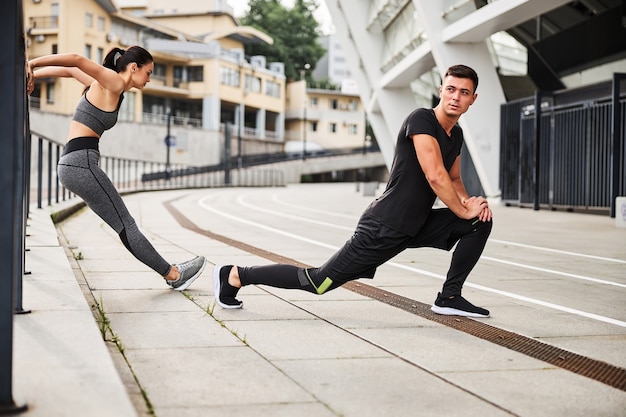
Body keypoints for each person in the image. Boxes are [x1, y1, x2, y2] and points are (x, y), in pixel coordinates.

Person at [213, 64, 493, 317]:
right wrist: (461, 208)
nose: (456, 97)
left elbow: (454, 178)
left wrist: (470, 204)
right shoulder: (421, 120)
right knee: (318, 282)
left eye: (464, 92)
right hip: (385, 225)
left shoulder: (455, 135)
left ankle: (450, 296)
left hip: (416, 223)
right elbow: (435, 176)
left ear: (473, 99)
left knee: (479, 221)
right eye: (451, 89)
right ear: (441, 90)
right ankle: (236, 275)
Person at [27, 46, 206, 290]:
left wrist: (34, 74)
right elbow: (76, 60)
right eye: (148, 72)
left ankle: (171, 272)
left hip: (74, 163)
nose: (149, 79)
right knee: (126, 225)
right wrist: (32, 64)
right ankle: (173, 274)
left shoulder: (105, 85)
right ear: (134, 68)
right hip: (82, 164)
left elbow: (69, 71)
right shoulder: (112, 81)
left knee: (123, 226)